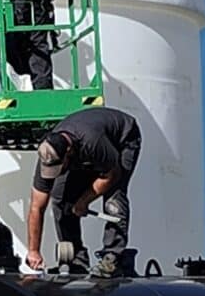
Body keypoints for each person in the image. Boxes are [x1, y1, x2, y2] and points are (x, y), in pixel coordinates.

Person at [24, 106, 142, 277]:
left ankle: (112, 258)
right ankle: (75, 259)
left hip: (123, 139)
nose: (55, 172)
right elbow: (36, 207)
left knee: (113, 199)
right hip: (86, 150)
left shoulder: (92, 143)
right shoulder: (48, 154)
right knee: (60, 198)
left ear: (68, 153)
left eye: (59, 167)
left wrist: (84, 200)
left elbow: (111, 175)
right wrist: (33, 251)